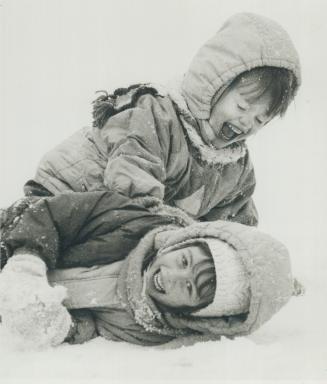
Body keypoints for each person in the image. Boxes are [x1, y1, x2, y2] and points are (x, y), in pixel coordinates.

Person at [23, 13, 301, 226]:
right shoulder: (157, 115)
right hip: (63, 195)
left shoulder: (235, 169)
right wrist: (170, 233)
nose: (247, 122)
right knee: (51, 246)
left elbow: (233, 224)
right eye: (242, 106)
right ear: (212, 84)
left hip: (126, 223)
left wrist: (247, 260)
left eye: (261, 120)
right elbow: (133, 186)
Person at [0, 191, 298, 349]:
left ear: (193, 314)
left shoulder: (148, 327)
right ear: (178, 243)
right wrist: (25, 263)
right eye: (183, 261)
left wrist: (63, 328)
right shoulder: (131, 221)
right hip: (16, 235)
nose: (174, 277)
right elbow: (52, 213)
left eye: (190, 288)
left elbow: (99, 325)